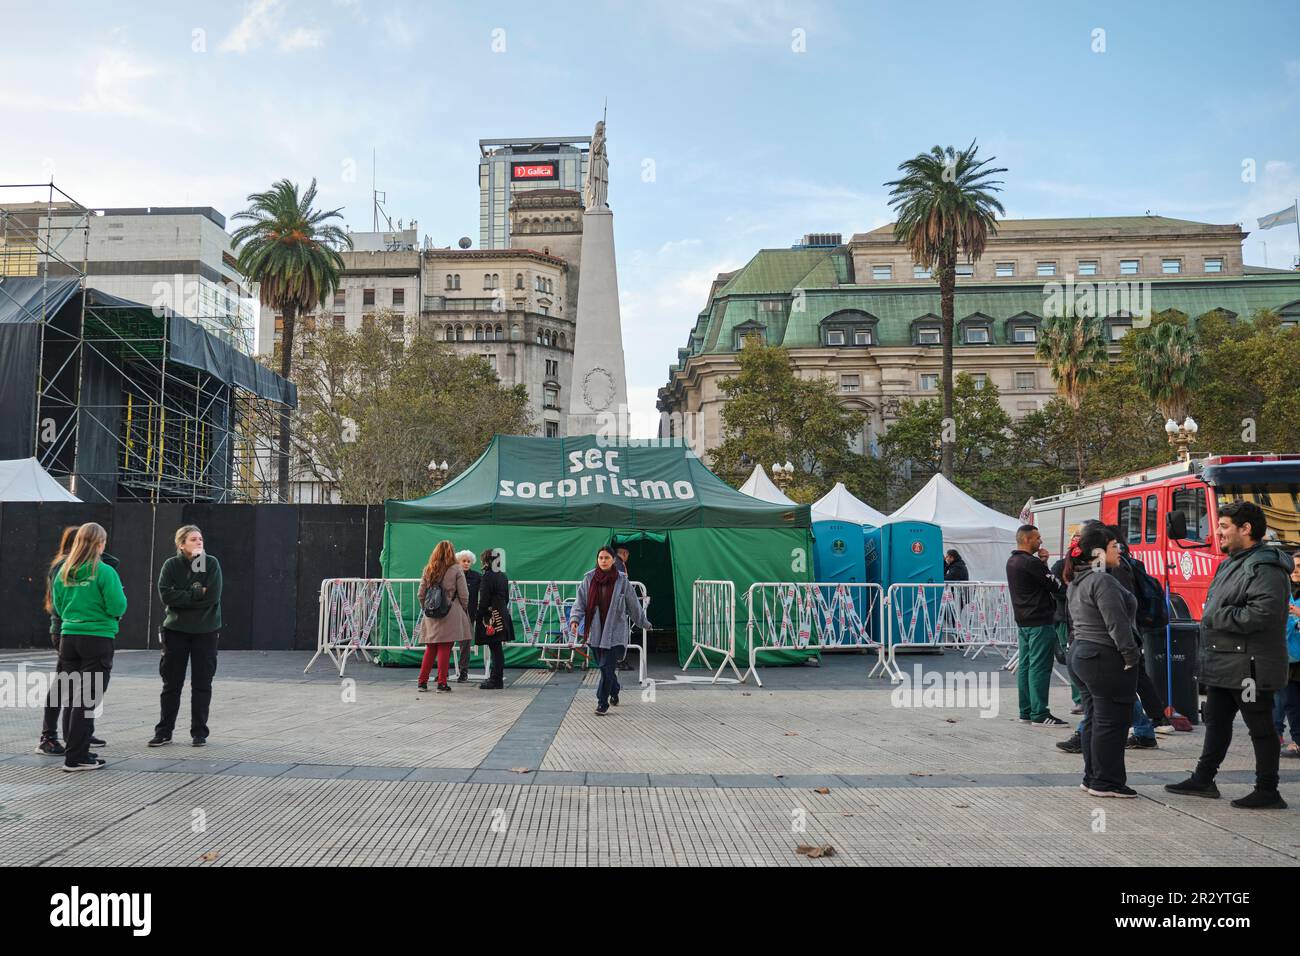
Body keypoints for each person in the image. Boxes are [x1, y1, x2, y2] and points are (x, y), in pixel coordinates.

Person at [1166, 501, 1292, 809]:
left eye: (1223, 527)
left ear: (1246, 529)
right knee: (1217, 722)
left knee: (1260, 727)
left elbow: (1261, 614)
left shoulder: (1265, 568)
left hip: (1249, 667)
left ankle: (1268, 790)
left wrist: (1214, 616)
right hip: (1225, 662)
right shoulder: (1232, 562)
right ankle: (1203, 779)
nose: (1217, 533)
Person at [1064, 524, 1140, 797]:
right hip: (1104, 656)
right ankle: (1107, 781)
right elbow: (1117, 624)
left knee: (1095, 719)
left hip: (1083, 654)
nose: (1118, 550)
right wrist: (1131, 656)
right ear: (1098, 552)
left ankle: (1093, 776)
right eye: (1112, 546)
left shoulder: (1078, 579)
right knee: (1112, 721)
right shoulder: (1103, 580)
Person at [50, 522, 126, 772]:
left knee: (73, 698)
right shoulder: (104, 572)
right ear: (99, 544)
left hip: (69, 638)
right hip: (97, 638)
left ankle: (76, 752)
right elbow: (118, 605)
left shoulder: (64, 571)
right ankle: (76, 757)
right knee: (86, 700)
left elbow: (58, 607)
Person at [149, 526, 223, 748]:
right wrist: (195, 594)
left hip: (205, 631)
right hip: (176, 631)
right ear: (181, 544)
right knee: (171, 683)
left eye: (201, 538)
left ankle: (199, 732)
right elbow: (166, 595)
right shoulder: (171, 565)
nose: (199, 542)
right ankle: (164, 731)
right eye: (193, 539)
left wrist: (183, 595)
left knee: (202, 683)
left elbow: (212, 596)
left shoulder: (210, 563)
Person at [571, 546, 651, 716]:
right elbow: (580, 603)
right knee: (604, 668)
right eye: (600, 558)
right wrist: (575, 620)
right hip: (595, 631)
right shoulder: (589, 578)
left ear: (613, 560)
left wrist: (644, 622)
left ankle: (602, 702)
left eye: (607, 558)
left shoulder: (622, 581)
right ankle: (614, 690)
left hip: (615, 632)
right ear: (597, 559)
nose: (603, 561)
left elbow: (633, 605)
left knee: (607, 668)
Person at [1006, 524, 1070, 727]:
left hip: (1023, 620)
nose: (1040, 541)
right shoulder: (1030, 563)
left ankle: (1026, 711)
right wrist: (1043, 564)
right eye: (1037, 538)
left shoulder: (1012, 561)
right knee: (1040, 667)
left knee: (1025, 666)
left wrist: (1042, 562)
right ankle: (1040, 713)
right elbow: (1055, 585)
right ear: (1026, 539)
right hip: (1040, 620)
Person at [417, 540, 471, 693]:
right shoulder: (456, 569)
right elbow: (464, 594)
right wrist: (462, 609)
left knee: (431, 647)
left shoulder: (428, 569)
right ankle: (441, 683)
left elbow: (420, 594)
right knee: (445, 647)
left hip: (431, 613)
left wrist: (427, 608)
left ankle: (422, 682)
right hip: (450, 611)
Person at [1051, 533, 1084, 726]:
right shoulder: (1060, 566)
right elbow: (1056, 590)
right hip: (1065, 618)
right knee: (1072, 658)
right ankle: (1079, 699)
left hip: (1081, 619)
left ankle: (1084, 699)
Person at [475, 548, 513, 690]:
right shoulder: (502, 575)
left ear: (486, 560)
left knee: (495, 648)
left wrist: (480, 614)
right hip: (501, 612)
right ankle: (496, 678)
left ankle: (495, 680)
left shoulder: (487, 576)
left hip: (491, 615)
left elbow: (484, 599)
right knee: (497, 649)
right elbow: (507, 597)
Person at [1278, 561, 1300, 758]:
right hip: (1288, 656)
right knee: (1290, 702)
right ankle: (1297, 741)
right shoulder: (1284, 591)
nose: (1296, 570)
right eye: (1294, 566)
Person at [456, 550, 480, 683]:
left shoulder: (477, 577)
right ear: (458, 562)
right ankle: (443, 672)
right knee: (446, 644)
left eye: (468, 561)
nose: (466, 563)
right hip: (453, 614)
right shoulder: (453, 575)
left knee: (465, 644)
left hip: (468, 615)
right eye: (463, 561)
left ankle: (463, 672)